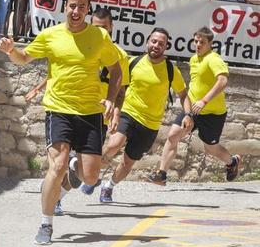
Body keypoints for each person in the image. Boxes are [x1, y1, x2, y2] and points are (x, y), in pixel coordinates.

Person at [0, 0, 122, 245]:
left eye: (82, 7)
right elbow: (23, 58)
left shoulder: (99, 37)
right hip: (59, 109)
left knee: (90, 177)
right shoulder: (50, 35)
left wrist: (111, 99)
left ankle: (76, 166)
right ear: (65, 6)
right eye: (72, 6)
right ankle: (46, 223)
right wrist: (11, 51)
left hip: (90, 113)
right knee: (57, 165)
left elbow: (116, 70)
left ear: (88, 10)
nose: (76, 11)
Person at [98, 28, 187, 203]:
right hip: (129, 112)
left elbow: (183, 94)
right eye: (154, 41)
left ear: (165, 47)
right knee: (113, 144)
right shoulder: (133, 62)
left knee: (127, 163)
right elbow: (116, 82)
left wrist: (188, 114)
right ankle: (92, 175)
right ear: (147, 42)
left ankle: (108, 186)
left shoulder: (171, 69)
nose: (156, 45)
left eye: (161, 44)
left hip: (151, 124)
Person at [146, 27, 241, 186]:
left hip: (212, 113)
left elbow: (223, 81)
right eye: (196, 41)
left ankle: (232, 162)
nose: (198, 44)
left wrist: (204, 101)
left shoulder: (213, 59)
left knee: (211, 148)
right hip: (193, 109)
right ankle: (161, 174)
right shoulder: (193, 59)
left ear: (210, 43)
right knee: (173, 135)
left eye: (202, 42)